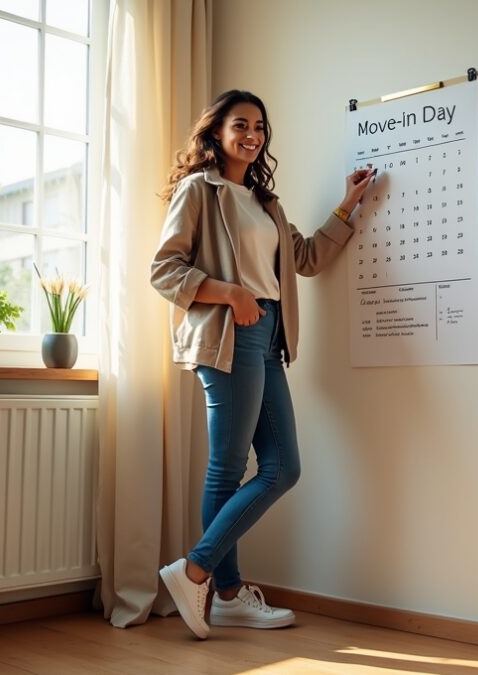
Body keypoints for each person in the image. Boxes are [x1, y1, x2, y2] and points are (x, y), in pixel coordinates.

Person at [150, 90, 374, 640]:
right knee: (227, 468)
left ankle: (206, 579)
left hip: (269, 338)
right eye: (240, 124)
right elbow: (163, 270)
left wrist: (347, 206)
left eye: (260, 127)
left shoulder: (265, 203)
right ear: (216, 132)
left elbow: (307, 258)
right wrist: (230, 293)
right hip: (231, 334)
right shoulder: (198, 190)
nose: (252, 134)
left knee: (283, 468)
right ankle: (214, 584)